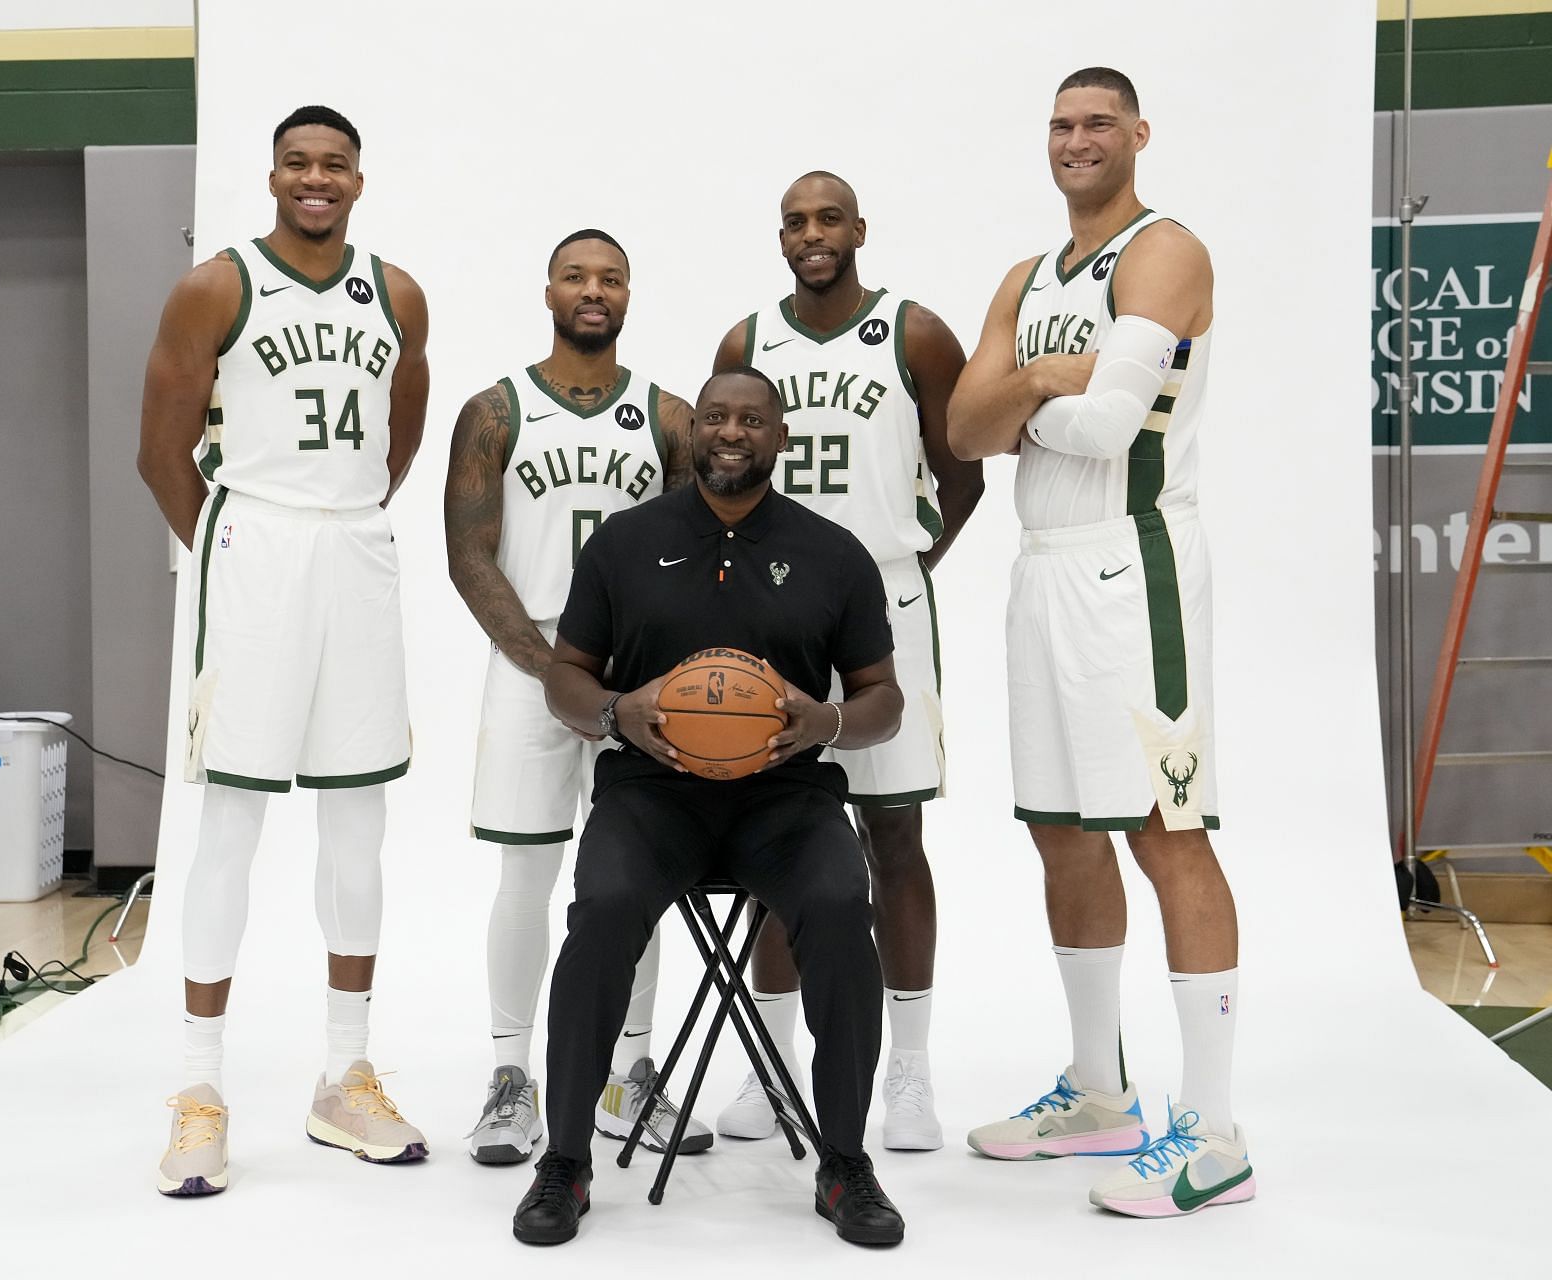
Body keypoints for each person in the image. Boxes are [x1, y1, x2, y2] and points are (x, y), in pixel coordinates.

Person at [947, 67, 1251, 1218]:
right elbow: (966, 430)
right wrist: (1035, 375)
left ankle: (1214, 1133)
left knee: (1167, 832)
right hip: (1042, 573)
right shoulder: (1027, 280)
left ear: (1138, 133)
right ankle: (1099, 1091)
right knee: (1065, 835)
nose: (1076, 140)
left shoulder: (1166, 251)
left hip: (1137, 564)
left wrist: (1032, 400)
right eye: (1061, 125)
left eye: (1096, 123)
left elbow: (1110, 420)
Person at [511, 367, 906, 1247]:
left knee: (844, 910)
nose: (733, 431)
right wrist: (618, 713)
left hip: (788, 796)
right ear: (693, 433)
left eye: (753, 419)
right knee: (603, 912)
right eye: (717, 417)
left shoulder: (833, 552)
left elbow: (886, 698)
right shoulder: (622, 542)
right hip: (653, 794)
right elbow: (566, 677)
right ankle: (564, 1162)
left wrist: (828, 720)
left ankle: (845, 1162)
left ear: (781, 438)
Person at [137, 104, 432, 1195]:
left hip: (355, 545)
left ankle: (343, 1072)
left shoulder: (397, 293)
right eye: (300, 163)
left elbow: (399, 431)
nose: (318, 178)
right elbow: (159, 450)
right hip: (254, 541)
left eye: (337, 164)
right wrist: (234, 553)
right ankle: (200, 1087)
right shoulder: (217, 283)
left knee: (360, 817)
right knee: (230, 820)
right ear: (271, 175)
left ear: (360, 178)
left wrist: (340, 513)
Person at [714, 172, 981, 1150]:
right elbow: (721, 477)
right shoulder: (747, 343)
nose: (812, 234)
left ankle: (907, 1072)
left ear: (860, 229)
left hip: (885, 595)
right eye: (795, 220)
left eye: (829, 218)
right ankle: (771, 1064)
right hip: (773, 609)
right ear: (778, 235)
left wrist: (892, 574)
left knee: (894, 835)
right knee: (780, 838)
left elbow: (963, 476)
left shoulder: (914, 333)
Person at [445, 227, 706, 1165]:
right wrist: (546, 661)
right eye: (575, 276)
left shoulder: (670, 416)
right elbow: (469, 556)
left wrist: (648, 667)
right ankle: (511, 1076)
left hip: (638, 679)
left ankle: (626, 1074)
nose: (592, 291)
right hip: (532, 663)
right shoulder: (494, 411)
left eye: (610, 279)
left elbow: (700, 555)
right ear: (547, 289)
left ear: (630, 294)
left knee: (637, 879)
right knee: (526, 872)